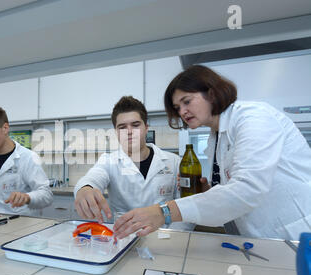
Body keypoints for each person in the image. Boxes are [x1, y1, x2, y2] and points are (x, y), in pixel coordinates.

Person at [113, 65, 311, 241]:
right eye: (177, 107)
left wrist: (164, 212)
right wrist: (209, 193)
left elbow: (247, 190)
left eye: (187, 101)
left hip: (295, 234)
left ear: (212, 93)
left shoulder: (253, 118)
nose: (182, 112)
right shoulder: (215, 138)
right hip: (261, 240)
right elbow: (232, 194)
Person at [74, 96, 194, 231]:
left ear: (146, 127)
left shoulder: (174, 161)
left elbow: (186, 206)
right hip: (124, 238)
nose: (129, 132)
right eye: (122, 127)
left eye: (135, 125)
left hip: (165, 238)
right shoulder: (108, 161)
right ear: (116, 132)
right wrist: (85, 188)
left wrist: (172, 237)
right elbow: (92, 178)